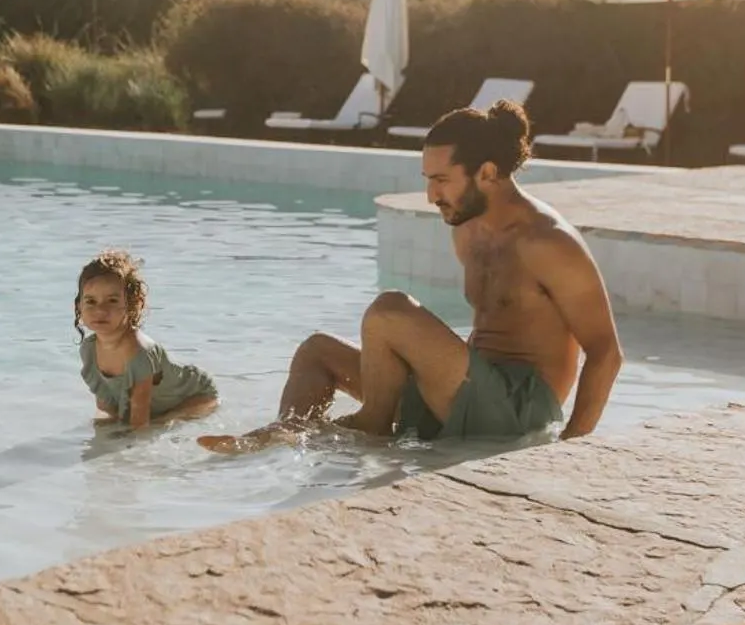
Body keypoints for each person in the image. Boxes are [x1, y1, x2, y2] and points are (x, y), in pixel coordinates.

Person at [200, 100, 621, 453]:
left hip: (516, 410)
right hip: (466, 391)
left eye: (441, 180)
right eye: (428, 180)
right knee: (317, 351)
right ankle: (288, 432)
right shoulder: (468, 229)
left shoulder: (548, 243)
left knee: (389, 311)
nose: (431, 196)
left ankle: (371, 428)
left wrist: (571, 448)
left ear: (488, 174)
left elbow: (606, 353)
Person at [75, 249, 219, 431]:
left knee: (161, 423)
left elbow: (139, 422)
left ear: (132, 304)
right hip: (153, 405)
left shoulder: (139, 352)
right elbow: (107, 409)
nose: (100, 310)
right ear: (79, 305)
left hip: (195, 397)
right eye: (91, 301)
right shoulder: (89, 351)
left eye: (112, 300)